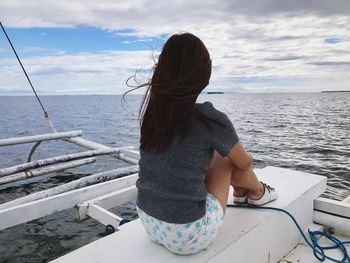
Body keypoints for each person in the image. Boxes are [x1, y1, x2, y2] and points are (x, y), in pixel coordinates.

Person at [132, 32, 277, 255]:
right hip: (189, 235)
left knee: (207, 157)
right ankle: (257, 192)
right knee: (226, 159)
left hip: (148, 221)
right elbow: (244, 162)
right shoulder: (209, 119)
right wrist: (244, 162)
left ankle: (241, 190)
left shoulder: (152, 117)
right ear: (203, 75)